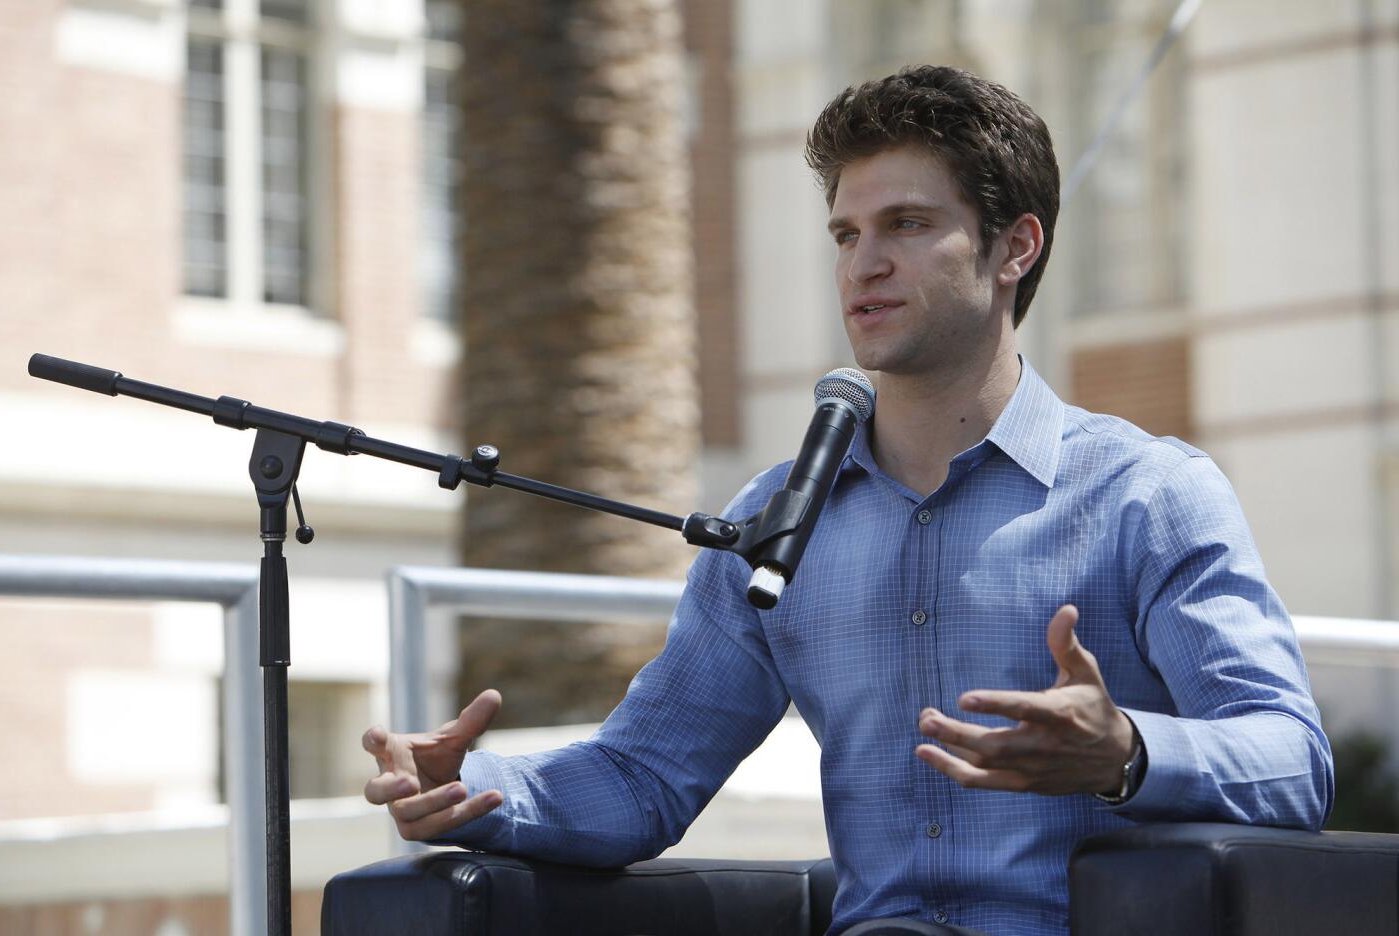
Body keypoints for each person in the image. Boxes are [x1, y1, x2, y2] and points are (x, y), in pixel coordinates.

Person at [361, 65, 1333, 936]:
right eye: (846, 232)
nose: (863, 263)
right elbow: (645, 774)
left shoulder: (1147, 496)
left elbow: (1292, 761)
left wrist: (1124, 753)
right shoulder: (778, 522)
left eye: (907, 225)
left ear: (1015, 248)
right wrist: (471, 787)